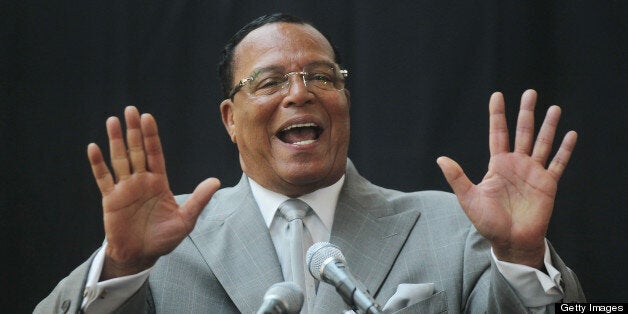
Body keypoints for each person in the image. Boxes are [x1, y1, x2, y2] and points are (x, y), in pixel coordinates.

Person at [35, 13, 585, 313]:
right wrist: (121, 270)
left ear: (345, 101)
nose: (299, 93)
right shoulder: (162, 240)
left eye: (322, 77)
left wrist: (521, 256)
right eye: (270, 81)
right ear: (230, 118)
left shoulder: (451, 226)